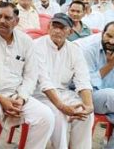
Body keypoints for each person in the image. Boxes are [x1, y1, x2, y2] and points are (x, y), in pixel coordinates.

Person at [0, 2, 54, 149]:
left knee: (46, 116)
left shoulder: (26, 41)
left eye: (7, 18)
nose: (1, 21)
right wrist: (0, 98)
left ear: (16, 21)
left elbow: (31, 75)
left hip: (15, 96)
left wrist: (22, 98)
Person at [33, 13, 94, 149]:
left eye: (62, 28)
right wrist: (62, 106)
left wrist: (88, 105)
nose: (57, 31)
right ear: (49, 27)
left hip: (64, 93)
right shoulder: (37, 46)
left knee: (85, 114)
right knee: (59, 114)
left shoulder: (74, 50)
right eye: (55, 26)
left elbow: (83, 79)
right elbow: (44, 81)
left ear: (70, 32)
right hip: (39, 94)